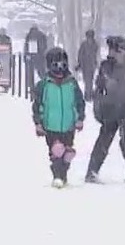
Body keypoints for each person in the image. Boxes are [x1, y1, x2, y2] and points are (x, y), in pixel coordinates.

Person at [85, 36, 125, 183]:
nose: (114, 53)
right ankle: (92, 171)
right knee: (104, 140)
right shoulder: (106, 67)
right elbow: (100, 88)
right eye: (113, 50)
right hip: (110, 108)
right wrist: (98, 106)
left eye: (119, 51)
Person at [31, 47, 86, 188]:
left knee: (67, 152)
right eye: (56, 65)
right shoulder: (44, 85)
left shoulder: (72, 83)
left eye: (63, 65)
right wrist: (38, 123)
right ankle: (57, 176)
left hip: (68, 124)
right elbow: (37, 105)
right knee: (56, 151)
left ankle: (64, 174)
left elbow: (79, 102)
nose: (60, 70)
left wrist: (80, 119)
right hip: (50, 125)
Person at [75, 29, 100, 101]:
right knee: (87, 81)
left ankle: (89, 95)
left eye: (90, 37)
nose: (89, 38)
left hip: (91, 66)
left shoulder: (95, 45)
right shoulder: (83, 45)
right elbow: (80, 54)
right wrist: (80, 63)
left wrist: (96, 63)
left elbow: (96, 55)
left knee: (90, 80)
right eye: (88, 37)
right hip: (85, 65)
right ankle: (87, 94)